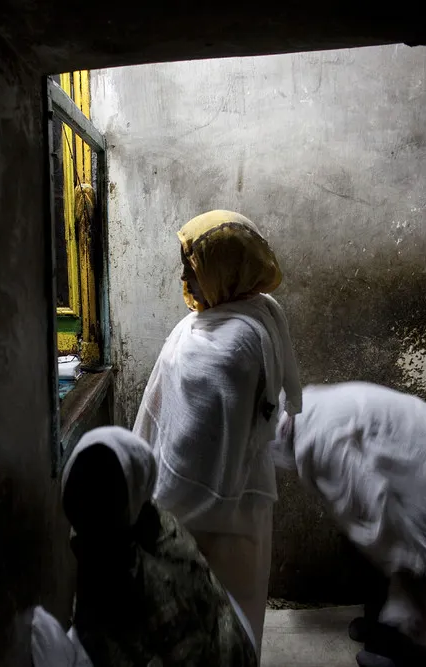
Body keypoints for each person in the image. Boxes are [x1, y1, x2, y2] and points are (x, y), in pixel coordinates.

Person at [133, 209, 303, 656]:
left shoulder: (233, 345)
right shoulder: (252, 313)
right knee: (225, 624)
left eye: (193, 263)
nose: (184, 274)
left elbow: (197, 442)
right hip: (243, 503)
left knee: (219, 620)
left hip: (218, 515)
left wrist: (161, 505)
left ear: (225, 267)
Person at [273, 381, 426, 667]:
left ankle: (404, 647)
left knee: (423, 559)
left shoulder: (317, 440)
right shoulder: (307, 408)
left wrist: (404, 563)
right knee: (379, 546)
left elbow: (373, 499)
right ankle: (387, 623)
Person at [62, 426, 258, 667]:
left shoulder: (160, 581)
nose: (86, 518)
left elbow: (188, 656)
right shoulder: (131, 521)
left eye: (100, 507)